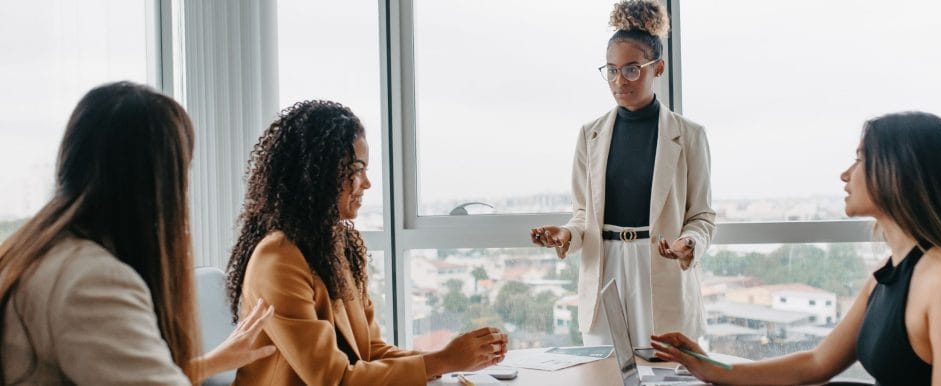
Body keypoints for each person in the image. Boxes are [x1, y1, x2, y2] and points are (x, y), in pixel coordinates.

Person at [652, 112, 941, 386]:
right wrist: (712, 367)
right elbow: (818, 362)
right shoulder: (892, 270)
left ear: (901, 172)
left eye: (860, 158)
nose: (845, 174)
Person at [0, 81, 276, 384]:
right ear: (158, 181)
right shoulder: (92, 281)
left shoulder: (33, 250)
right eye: (185, 169)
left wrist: (210, 363)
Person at [225, 100, 508, 385]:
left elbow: (370, 351)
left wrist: (448, 361)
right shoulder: (277, 258)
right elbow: (332, 379)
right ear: (317, 173)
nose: (366, 183)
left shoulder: (340, 246)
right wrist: (444, 360)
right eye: (356, 169)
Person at [530, 0, 715, 347]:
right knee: (605, 372)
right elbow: (584, 214)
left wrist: (689, 243)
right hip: (604, 269)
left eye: (632, 69)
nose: (619, 80)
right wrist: (566, 234)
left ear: (658, 68)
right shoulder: (590, 134)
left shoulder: (690, 136)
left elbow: (702, 215)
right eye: (611, 70)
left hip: (660, 268)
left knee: (666, 368)